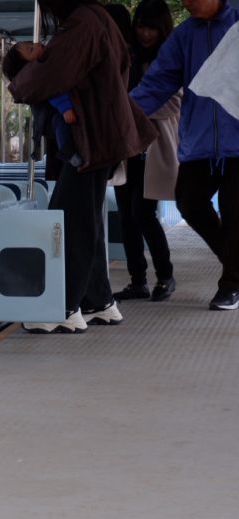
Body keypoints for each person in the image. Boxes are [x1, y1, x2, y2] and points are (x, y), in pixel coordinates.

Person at [6, 0, 157, 333]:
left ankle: (62, 305)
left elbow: (50, 73)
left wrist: (16, 81)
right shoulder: (96, 18)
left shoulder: (81, 25)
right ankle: (97, 301)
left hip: (90, 139)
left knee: (71, 222)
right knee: (86, 219)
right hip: (101, 136)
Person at [130, 0, 239, 311]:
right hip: (199, 142)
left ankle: (231, 284)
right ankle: (235, 263)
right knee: (189, 202)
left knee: (235, 213)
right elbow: (156, 84)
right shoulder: (184, 36)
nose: (186, 2)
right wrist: (121, 116)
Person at [113, 0, 180, 302]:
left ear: (163, 28)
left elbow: (172, 103)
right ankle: (137, 280)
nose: (145, 33)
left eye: (151, 27)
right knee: (126, 217)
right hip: (128, 148)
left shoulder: (171, 60)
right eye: (140, 26)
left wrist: (128, 109)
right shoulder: (130, 58)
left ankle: (165, 275)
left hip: (153, 147)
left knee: (143, 213)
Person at [2, 42, 82, 168]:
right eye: (31, 49)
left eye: (31, 44)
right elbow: (53, 91)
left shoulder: (46, 65)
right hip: (58, 114)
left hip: (54, 118)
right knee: (60, 124)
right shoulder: (40, 76)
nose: (37, 44)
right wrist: (65, 108)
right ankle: (69, 152)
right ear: (28, 67)